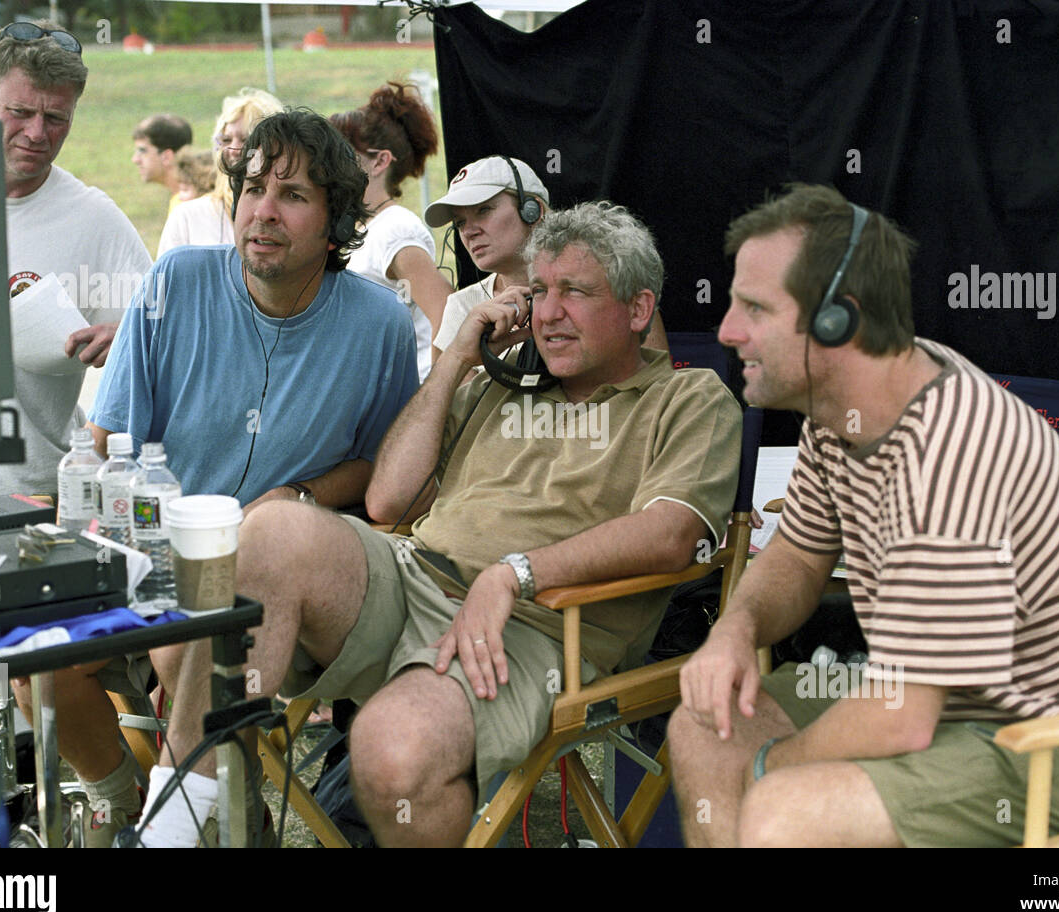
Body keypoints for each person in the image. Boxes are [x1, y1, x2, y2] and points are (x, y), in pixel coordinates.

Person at [135, 201, 742, 848]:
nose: (549, 312)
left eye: (577, 292)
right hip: (411, 576)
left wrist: (517, 574)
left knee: (393, 749)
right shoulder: (497, 385)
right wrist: (455, 360)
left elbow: (672, 532)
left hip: (536, 628)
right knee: (267, 537)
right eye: (539, 292)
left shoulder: (688, 399)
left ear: (638, 309)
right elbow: (389, 503)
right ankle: (168, 834)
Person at [668, 183, 1059, 848]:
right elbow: (795, 556)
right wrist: (736, 627)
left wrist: (766, 771)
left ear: (836, 320)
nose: (726, 329)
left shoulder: (952, 447)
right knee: (701, 727)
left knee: (786, 810)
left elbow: (900, 719)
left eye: (755, 307)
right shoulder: (839, 411)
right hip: (951, 711)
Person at [25, 109, 418, 847]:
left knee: (193, 644)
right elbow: (110, 438)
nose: (264, 211)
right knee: (38, 655)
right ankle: (126, 798)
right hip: (152, 548)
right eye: (254, 188)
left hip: (273, 581)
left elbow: (382, 467)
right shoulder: (176, 280)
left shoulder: (379, 327)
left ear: (335, 223)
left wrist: (302, 495)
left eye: (294, 195)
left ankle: (185, 828)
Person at [0, 21, 151, 502]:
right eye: (20, 112)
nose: (36, 133)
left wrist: (129, 337)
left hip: (35, 493)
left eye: (56, 118)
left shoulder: (93, 218)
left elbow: (167, 341)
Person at [425, 155, 669, 360]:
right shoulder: (461, 307)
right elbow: (453, 410)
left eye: (484, 210)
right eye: (460, 223)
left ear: (533, 210)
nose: (469, 231)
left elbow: (655, 388)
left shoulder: (612, 283)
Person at [331, 82, 454, 381]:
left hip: (408, 404)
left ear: (381, 161)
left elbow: (450, 317)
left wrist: (434, 399)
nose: (327, 163)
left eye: (340, 152)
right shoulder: (360, 228)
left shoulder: (395, 228)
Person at [157, 87, 283, 255]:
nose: (234, 149)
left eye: (246, 140)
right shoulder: (187, 217)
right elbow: (165, 280)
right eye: (226, 140)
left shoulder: (288, 214)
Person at [131, 113, 193, 216]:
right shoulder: (181, 199)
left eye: (142, 151)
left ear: (167, 157)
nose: (135, 159)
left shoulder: (186, 206)